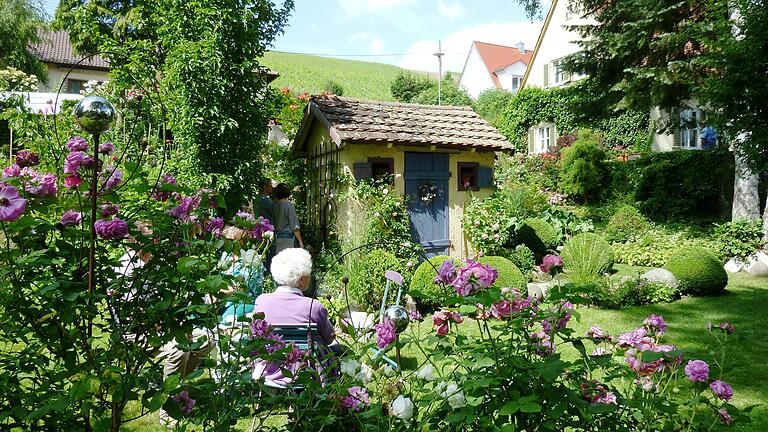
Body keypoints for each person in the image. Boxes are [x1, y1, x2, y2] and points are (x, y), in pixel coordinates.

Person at [251, 248, 335, 386]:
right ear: (302, 279)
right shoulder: (313, 306)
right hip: (305, 370)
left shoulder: (262, 301)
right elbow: (329, 337)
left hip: (269, 369)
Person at [273, 183, 303, 252]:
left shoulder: (274, 205)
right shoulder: (290, 205)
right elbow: (295, 226)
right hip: (288, 238)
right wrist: (300, 242)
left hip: (277, 238)